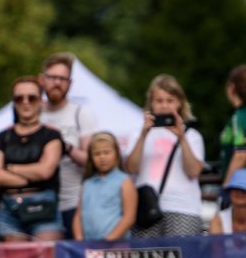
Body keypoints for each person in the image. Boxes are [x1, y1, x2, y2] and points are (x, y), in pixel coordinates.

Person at [124, 74, 205, 238]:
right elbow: (131, 167)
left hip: (183, 209)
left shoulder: (192, 136)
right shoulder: (137, 134)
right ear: (151, 104)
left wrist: (181, 138)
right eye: (159, 101)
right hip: (147, 208)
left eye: (170, 100)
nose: (164, 106)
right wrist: (143, 135)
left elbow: (194, 171)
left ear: (180, 103)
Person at [0, 76, 65, 242]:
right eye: (19, 98)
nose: (25, 102)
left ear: (40, 101)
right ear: (13, 102)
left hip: (44, 205)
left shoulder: (51, 135)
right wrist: (31, 177)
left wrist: (9, 168)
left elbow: (45, 171)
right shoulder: (3, 136)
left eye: (31, 97)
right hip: (9, 208)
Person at [38, 53, 98, 236]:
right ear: (42, 80)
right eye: (52, 77)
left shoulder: (81, 114)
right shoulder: (32, 113)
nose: (57, 83)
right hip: (41, 203)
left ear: (70, 84)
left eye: (63, 79)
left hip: (75, 203)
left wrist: (66, 147)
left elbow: (92, 161)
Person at [72, 132, 137, 241]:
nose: (102, 157)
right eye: (97, 154)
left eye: (107, 152)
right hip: (90, 247)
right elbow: (79, 215)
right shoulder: (87, 184)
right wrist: (79, 241)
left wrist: (108, 241)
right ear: (91, 157)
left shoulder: (124, 181)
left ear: (116, 153)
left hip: (116, 247)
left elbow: (129, 217)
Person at [219, 65, 246, 188]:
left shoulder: (239, 116)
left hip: (240, 187)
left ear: (232, 88)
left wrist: (226, 187)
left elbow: (241, 155)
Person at [210, 168, 246, 234]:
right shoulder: (218, 220)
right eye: (235, 188)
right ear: (229, 192)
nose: (240, 192)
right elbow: (216, 243)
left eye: (244, 189)